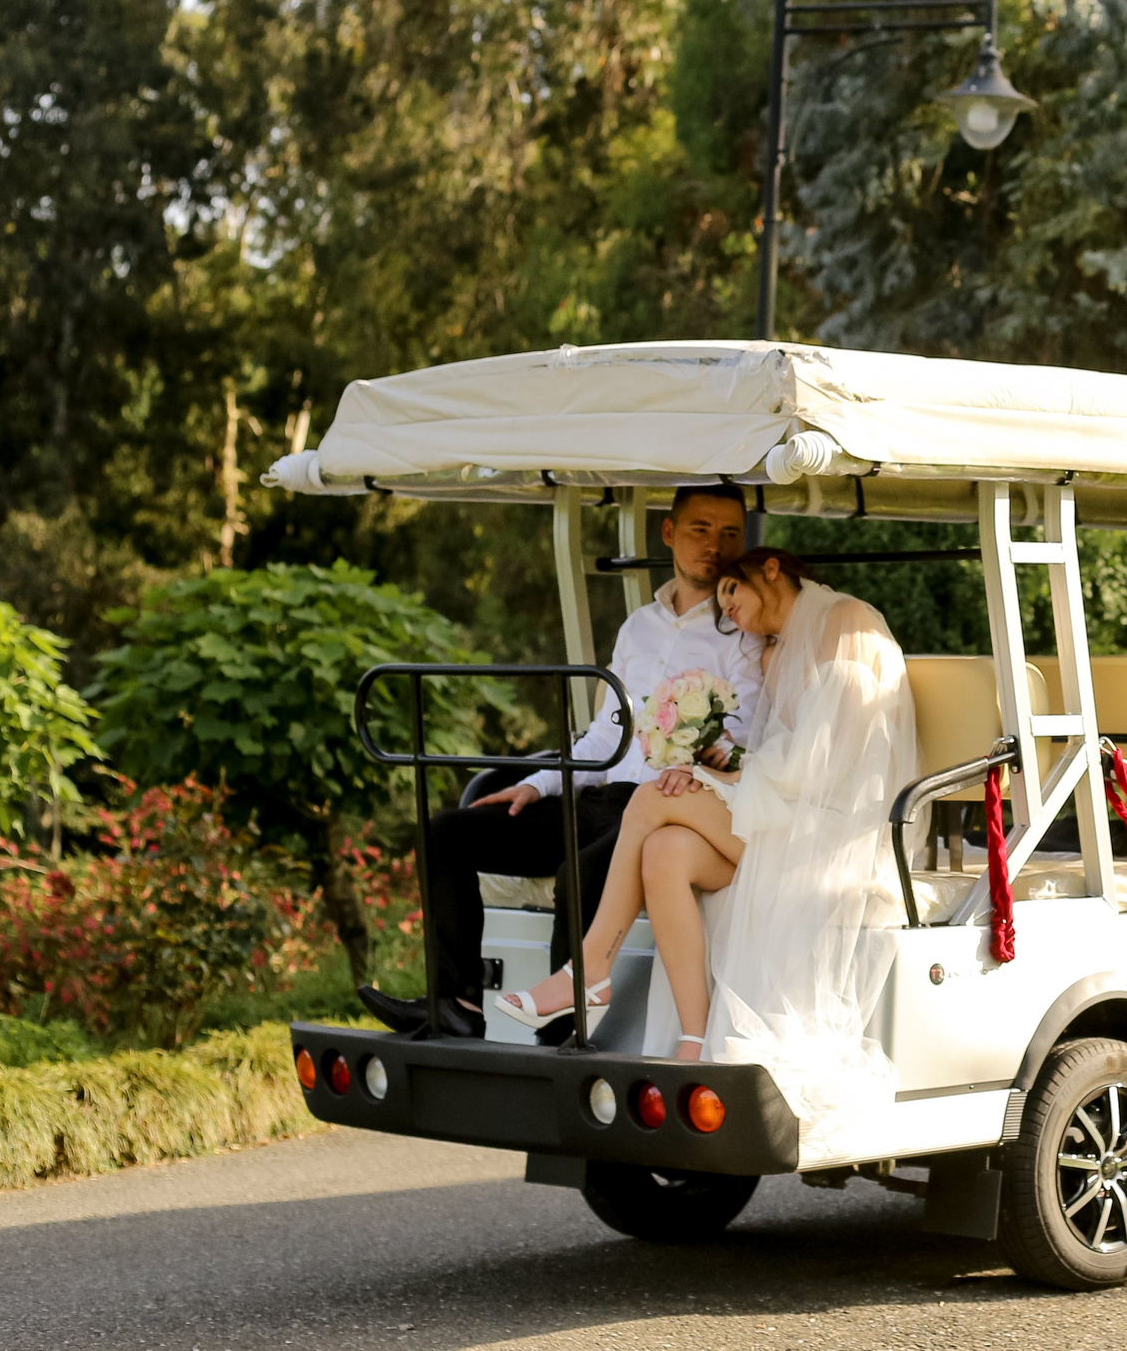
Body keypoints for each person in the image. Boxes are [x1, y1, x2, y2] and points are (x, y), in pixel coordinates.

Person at [497, 547, 918, 1152]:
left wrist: (721, 779)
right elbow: (777, 751)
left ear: (771, 569)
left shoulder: (846, 625)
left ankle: (588, 974)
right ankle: (694, 1037)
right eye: (721, 601)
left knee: (647, 802)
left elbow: (826, 767)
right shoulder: (779, 644)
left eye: (732, 593)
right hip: (784, 809)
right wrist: (717, 761)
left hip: (826, 828)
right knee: (665, 850)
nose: (729, 611)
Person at [358, 485, 761, 1038]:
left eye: (730, 534)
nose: (715, 545)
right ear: (669, 533)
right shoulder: (637, 627)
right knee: (445, 833)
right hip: (597, 798)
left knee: (579, 876)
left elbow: (742, 737)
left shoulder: (743, 630)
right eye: (700, 529)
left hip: (664, 807)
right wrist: (542, 784)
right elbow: (605, 735)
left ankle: (561, 1033)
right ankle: (455, 1004)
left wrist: (704, 754)